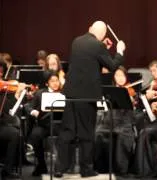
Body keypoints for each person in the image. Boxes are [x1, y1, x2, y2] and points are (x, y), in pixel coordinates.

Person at [54, 20, 126, 178]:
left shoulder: (77, 41)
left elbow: (91, 59)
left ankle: (60, 168)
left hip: (71, 93)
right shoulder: (98, 46)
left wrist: (103, 48)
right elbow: (112, 66)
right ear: (102, 35)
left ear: (90, 29)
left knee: (68, 131)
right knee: (86, 133)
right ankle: (86, 169)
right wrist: (119, 51)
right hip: (87, 95)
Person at [25, 71, 61, 176]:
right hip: (44, 124)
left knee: (65, 136)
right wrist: (33, 111)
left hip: (59, 125)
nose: (55, 83)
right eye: (52, 81)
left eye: (57, 80)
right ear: (47, 83)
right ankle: (41, 165)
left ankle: (59, 168)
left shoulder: (63, 93)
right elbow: (28, 106)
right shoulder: (40, 93)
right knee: (35, 135)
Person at [0, 82, 26, 179]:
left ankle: (7, 170)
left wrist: (17, 94)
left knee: (14, 133)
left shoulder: (3, 96)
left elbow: (11, 112)